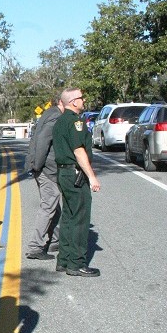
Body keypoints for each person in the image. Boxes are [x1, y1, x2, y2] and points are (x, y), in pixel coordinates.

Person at [52, 88, 101, 277]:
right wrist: (92, 176)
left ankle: (64, 260)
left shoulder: (60, 121)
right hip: (75, 174)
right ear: (73, 102)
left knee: (68, 217)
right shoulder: (75, 122)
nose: (83, 100)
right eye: (81, 98)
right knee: (80, 219)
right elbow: (79, 151)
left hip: (63, 173)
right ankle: (76, 263)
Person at [24, 98, 64, 260]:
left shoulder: (49, 114)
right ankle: (35, 246)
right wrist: (38, 165)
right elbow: (43, 142)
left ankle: (56, 239)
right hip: (45, 168)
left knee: (53, 204)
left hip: (42, 167)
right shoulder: (55, 117)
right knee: (49, 206)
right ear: (62, 102)